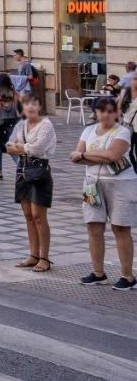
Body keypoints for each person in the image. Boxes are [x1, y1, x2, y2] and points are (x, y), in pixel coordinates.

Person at [70, 95, 135, 290]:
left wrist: (85, 155)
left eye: (110, 111)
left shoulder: (123, 131)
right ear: (96, 112)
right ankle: (98, 272)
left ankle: (128, 276)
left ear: (116, 113)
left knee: (121, 228)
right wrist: (92, 156)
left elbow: (113, 155)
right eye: (102, 110)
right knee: (93, 226)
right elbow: (76, 157)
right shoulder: (88, 131)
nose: (106, 114)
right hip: (91, 183)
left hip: (121, 184)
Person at [7, 93, 56, 272]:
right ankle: (33, 254)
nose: (30, 107)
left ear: (40, 107)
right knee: (28, 215)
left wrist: (21, 147)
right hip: (22, 171)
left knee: (38, 216)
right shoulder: (21, 125)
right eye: (27, 104)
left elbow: (37, 149)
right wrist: (23, 148)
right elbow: (9, 146)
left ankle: (44, 257)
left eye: (34, 104)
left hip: (39, 172)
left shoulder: (46, 126)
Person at [0, 73, 22, 180]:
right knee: (12, 145)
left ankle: (1, 171)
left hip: (0, 124)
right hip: (14, 122)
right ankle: (20, 167)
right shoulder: (14, 93)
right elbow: (23, 104)